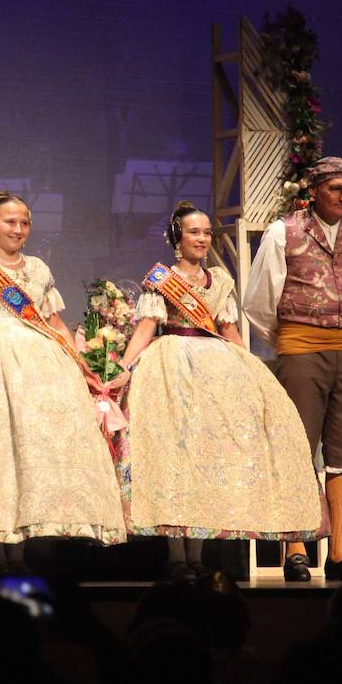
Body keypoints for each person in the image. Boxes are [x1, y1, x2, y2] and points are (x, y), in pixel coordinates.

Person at [105, 201, 320, 581]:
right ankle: (176, 555)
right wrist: (123, 368)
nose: (202, 239)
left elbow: (228, 330)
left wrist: (252, 368)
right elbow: (146, 328)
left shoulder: (219, 281)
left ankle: (198, 553)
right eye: (194, 232)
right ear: (177, 238)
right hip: (170, 367)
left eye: (206, 232)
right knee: (175, 456)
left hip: (216, 372)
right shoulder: (160, 278)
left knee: (206, 458)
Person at [0, 191, 125, 573]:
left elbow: (54, 322)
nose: (18, 229)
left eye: (24, 223)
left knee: (31, 450)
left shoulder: (38, 270)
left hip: (39, 365)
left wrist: (80, 362)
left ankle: (27, 540)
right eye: (10, 222)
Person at [245, 156, 342, 581]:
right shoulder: (284, 232)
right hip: (302, 346)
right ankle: (297, 549)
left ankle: (341, 553)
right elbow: (259, 301)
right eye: (335, 189)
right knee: (298, 445)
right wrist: (291, 339)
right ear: (315, 190)